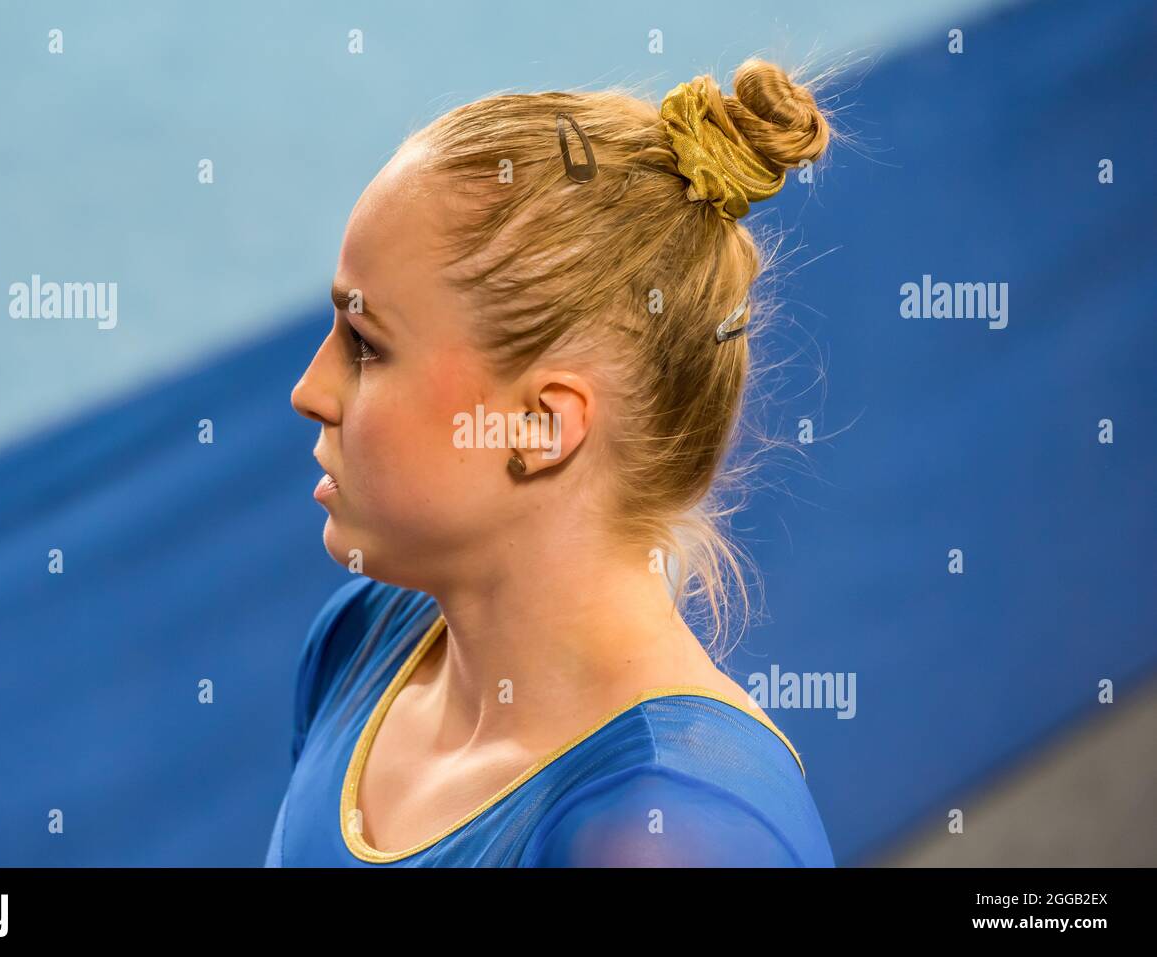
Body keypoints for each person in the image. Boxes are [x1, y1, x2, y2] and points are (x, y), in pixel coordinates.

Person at [268, 58, 840, 867]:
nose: (309, 389)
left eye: (365, 344)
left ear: (542, 425)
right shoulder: (361, 639)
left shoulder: (668, 837)